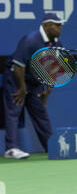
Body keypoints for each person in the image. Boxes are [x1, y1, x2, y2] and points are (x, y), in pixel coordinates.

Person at [2, 13, 64, 159]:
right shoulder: (31, 40)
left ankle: (51, 147)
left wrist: (47, 88)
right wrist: (22, 89)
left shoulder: (57, 44)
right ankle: (11, 149)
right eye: (57, 25)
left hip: (35, 81)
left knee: (40, 112)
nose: (60, 28)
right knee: (14, 110)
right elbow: (18, 66)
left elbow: (53, 69)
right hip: (16, 78)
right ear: (47, 26)